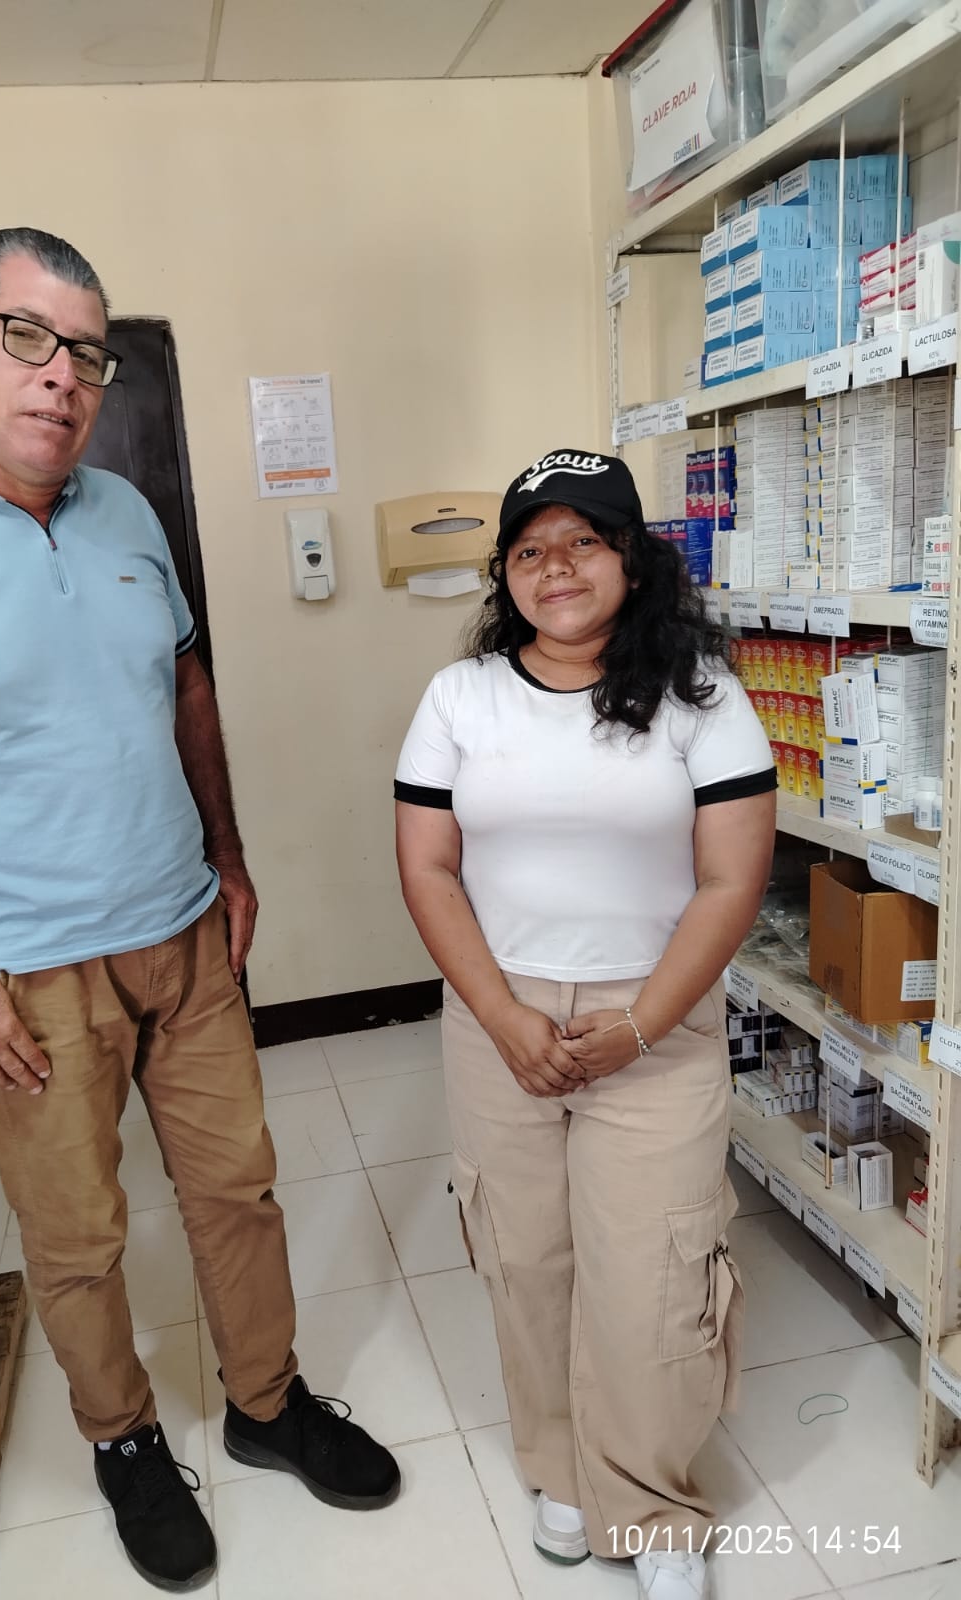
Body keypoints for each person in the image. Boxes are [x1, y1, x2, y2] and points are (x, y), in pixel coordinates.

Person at [0, 227, 398, 1593]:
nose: (62, 376)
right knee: (78, 1241)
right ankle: (123, 1441)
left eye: (90, 355)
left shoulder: (126, 514)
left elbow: (187, 684)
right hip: (25, 984)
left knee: (237, 1191)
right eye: (29, 338)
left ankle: (267, 1401)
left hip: (186, 940)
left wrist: (229, 856)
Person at [394, 448, 775, 1600]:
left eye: (583, 542)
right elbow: (428, 866)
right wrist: (502, 1014)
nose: (555, 566)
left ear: (631, 560)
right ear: (506, 574)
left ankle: (653, 1506)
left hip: (654, 1017)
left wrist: (642, 1023)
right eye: (529, 549)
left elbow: (732, 879)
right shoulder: (460, 698)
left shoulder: (701, 694)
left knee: (651, 1267)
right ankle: (562, 1469)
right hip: (498, 1016)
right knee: (527, 1255)